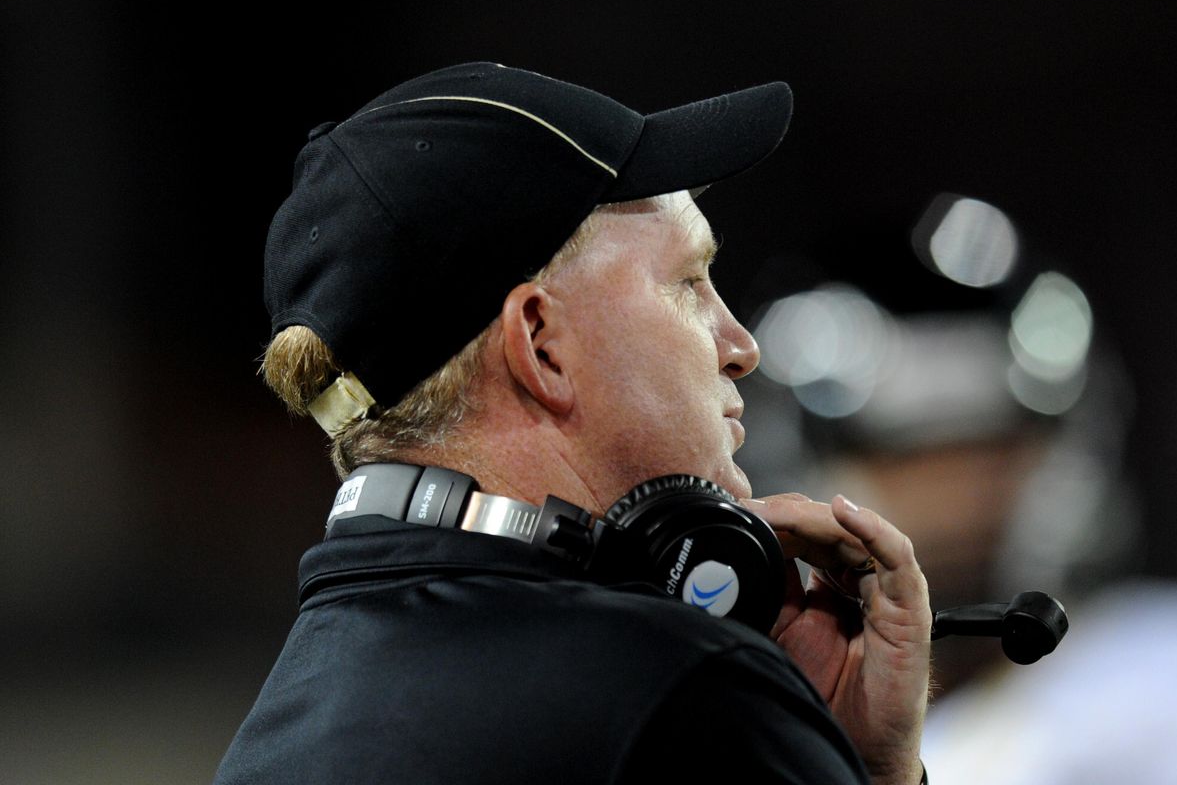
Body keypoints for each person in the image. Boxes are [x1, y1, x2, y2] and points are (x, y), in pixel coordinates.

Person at [213, 62, 931, 784]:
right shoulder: (681, 697)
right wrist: (865, 769)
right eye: (687, 283)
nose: (741, 346)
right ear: (541, 344)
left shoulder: (280, 729)